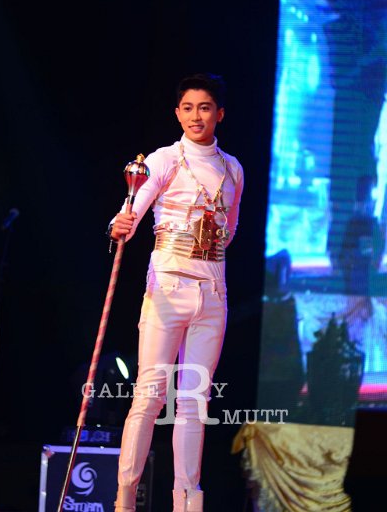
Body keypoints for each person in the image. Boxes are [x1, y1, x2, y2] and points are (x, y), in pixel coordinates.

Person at [110, 73, 244, 512]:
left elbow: (231, 228)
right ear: (177, 113)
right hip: (168, 288)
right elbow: (135, 205)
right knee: (149, 395)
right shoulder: (165, 159)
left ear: (219, 113)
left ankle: (187, 500)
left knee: (194, 402)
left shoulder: (232, 168)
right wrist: (120, 223)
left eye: (204, 108)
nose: (195, 116)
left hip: (213, 293)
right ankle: (125, 499)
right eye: (187, 108)